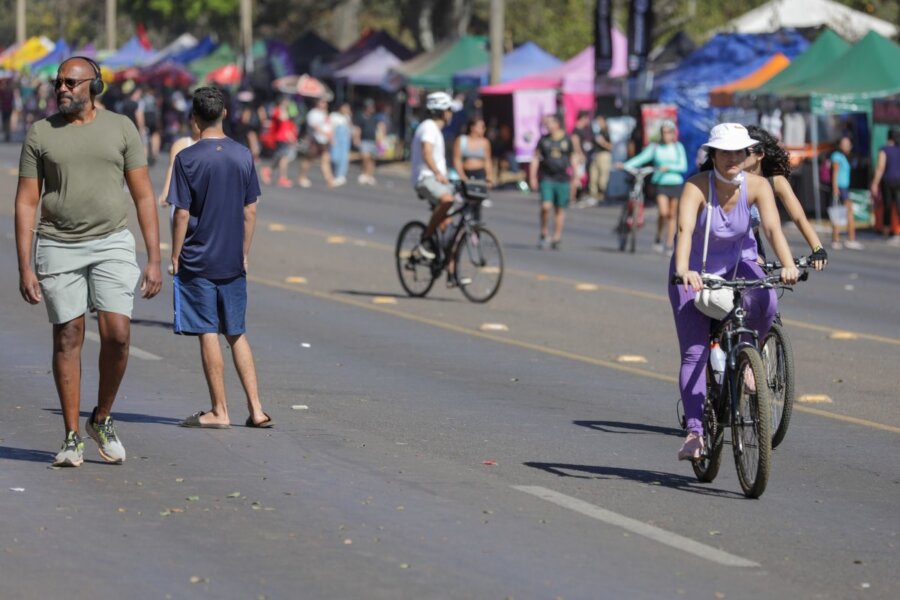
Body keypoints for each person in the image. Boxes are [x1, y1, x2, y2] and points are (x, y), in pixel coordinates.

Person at [15, 56, 163, 467]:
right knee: (69, 335)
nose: (62, 88)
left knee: (117, 333)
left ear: (93, 86)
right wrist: (24, 264)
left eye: (71, 82)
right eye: (58, 82)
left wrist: (154, 256)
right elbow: (26, 201)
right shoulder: (41, 133)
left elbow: (145, 195)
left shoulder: (121, 128)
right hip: (58, 244)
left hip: (112, 241)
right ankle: (71, 436)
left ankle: (101, 416)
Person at [670, 123, 799, 461]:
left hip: (737, 262)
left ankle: (747, 360)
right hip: (694, 269)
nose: (732, 158)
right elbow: (684, 230)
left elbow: (772, 228)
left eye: (738, 151)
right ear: (712, 155)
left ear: (747, 154)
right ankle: (695, 431)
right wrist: (684, 270)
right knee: (695, 352)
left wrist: (788, 265)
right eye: (724, 152)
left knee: (767, 296)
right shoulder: (696, 187)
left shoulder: (757, 186)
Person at [167, 87, 271, 430]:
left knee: (207, 330)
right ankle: (256, 409)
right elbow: (251, 210)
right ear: (224, 113)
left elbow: (181, 213)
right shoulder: (243, 155)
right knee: (237, 332)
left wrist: (175, 255)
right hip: (231, 259)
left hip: (198, 258)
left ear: (194, 119)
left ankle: (219, 410)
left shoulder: (187, 158)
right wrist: (244, 252)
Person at [742, 125, 828, 269]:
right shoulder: (730, 180)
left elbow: (799, 218)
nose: (736, 156)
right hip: (721, 247)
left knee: (760, 283)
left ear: (760, 154)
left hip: (751, 246)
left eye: (744, 151)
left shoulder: (775, 182)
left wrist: (817, 248)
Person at [409, 92, 460, 264]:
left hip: (438, 180)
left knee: (449, 228)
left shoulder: (436, 130)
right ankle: (426, 239)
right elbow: (426, 153)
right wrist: (437, 172)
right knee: (447, 200)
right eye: (449, 110)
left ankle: (451, 272)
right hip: (426, 178)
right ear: (441, 111)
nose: (451, 113)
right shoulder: (429, 127)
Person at [623, 120, 687, 253]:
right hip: (660, 182)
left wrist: (668, 168)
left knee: (672, 214)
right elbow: (641, 158)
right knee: (663, 212)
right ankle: (658, 236)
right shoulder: (655, 147)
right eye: (663, 132)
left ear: (673, 134)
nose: (665, 135)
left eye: (668, 132)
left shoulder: (678, 147)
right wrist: (625, 165)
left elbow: (683, 166)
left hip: (675, 182)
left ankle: (669, 243)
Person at [530, 114, 576, 250]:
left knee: (559, 209)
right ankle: (544, 232)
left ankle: (556, 237)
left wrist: (576, 177)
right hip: (547, 177)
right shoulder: (543, 140)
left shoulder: (567, 140)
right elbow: (536, 158)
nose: (547, 126)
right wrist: (533, 177)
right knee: (546, 206)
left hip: (562, 178)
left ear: (557, 124)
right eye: (546, 124)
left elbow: (572, 158)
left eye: (550, 123)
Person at [830, 136, 863, 250]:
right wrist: (835, 189)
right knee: (840, 213)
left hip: (845, 187)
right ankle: (837, 238)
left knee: (846, 212)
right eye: (845, 143)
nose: (848, 146)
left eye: (849, 144)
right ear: (840, 145)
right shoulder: (837, 156)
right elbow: (835, 173)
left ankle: (849, 238)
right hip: (840, 187)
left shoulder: (845, 157)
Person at [260, 96, 298, 189]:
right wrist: (283, 110)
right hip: (280, 137)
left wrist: (291, 136)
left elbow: (288, 124)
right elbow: (281, 120)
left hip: (285, 137)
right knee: (283, 158)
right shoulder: (277, 110)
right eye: (285, 101)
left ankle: (268, 170)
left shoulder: (286, 111)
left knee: (280, 157)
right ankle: (282, 178)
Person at [870, 128, 900, 245]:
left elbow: (880, 167)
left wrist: (875, 183)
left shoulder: (884, 150)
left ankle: (886, 232)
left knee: (887, 206)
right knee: (899, 206)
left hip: (888, 181)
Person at [298, 96, 334, 188]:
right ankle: (302, 177)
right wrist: (325, 134)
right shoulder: (313, 113)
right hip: (315, 140)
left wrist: (331, 137)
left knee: (325, 159)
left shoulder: (325, 114)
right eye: (322, 102)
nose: (324, 104)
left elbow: (329, 126)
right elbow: (314, 126)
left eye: (325, 102)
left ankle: (329, 179)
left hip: (324, 141)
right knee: (308, 160)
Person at [570, 110, 595, 206]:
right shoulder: (576, 130)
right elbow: (575, 143)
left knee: (580, 178)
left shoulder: (586, 129)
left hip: (582, 156)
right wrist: (580, 154)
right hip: (577, 157)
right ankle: (572, 198)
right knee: (576, 178)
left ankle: (577, 197)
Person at [355, 99, 382, 185]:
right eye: (370, 107)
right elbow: (358, 129)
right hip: (364, 140)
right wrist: (357, 138)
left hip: (373, 141)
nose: (371, 109)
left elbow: (379, 129)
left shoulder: (375, 118)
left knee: (372, 159)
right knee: (365, 157)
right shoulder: (361, 117)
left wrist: (380, 140)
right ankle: (364, 173)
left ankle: (370, 175)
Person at [588, 114, 614, 203]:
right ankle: (594, 196)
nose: (598, 123)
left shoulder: (607, 132)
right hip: (596, 154)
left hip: (604, 155)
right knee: (593, 176)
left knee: (603, 178)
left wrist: (602, 142)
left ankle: (602, 196)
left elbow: (611, 146)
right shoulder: (597, 132)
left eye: (599, 121)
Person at [329, 101, 352, 187]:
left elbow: (349, 128)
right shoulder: (334, 116)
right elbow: (331, 128)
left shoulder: (347, 117)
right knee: (335, 157)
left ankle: (341, 175)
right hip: (336, 138)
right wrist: (331, 139)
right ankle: (334, 173)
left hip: (345, 139)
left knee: (344, 158)